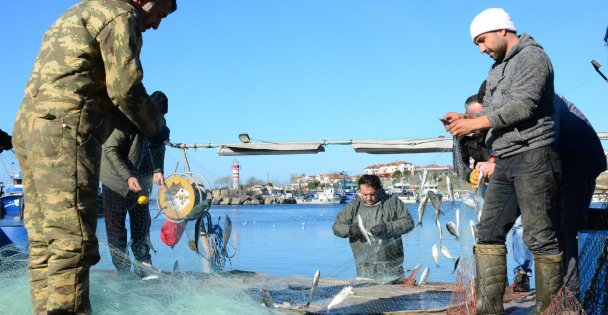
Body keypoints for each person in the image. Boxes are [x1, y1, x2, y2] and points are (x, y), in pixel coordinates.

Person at [11, 0, 177, 313]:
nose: (156, 24)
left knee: (46, 244)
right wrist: (156, 128)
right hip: (66, 130)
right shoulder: (120, 13)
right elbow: (124, 89)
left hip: (28, 130)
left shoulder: (77, 12)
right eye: (160, 13)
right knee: (72, 242)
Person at [444, 8, 562, 314]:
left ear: (502, 30)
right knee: (488, 232)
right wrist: (466, 117)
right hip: (505, 158)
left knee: (539, 237)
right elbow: (495, 108)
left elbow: (523, 106)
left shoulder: (533, 58)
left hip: (535, 154)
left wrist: (474, 125)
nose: (481, 49)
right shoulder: (496, 70)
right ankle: (489, 310)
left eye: (482, 41)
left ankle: (550, 310)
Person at [475, 94, 607, 299]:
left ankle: (570, 295)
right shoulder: (509, 110)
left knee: (569, 227)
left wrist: (499, 163)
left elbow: (542, 141)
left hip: (579, 162)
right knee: (553, 227)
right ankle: (557, 291)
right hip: (556, 166)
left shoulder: (540, 99)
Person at [100, 91, 168, 279]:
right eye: (158, 116)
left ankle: (143, 264)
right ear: (149, 113)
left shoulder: (158, 128)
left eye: (163, 116)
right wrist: (128, 176)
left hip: (141, 185)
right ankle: (122, 269)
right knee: (116, 229)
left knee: (141, 224)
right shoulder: (128, 122)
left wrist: (158, 170)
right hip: (115, 181)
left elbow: (159, 147)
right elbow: (111, 149)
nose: (161, 120)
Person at [332, 174, 414, 284]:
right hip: (365, 267)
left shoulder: (394, 202)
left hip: (392, 266)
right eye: (364, 194)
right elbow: (336, 227)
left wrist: (387, 227)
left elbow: (409, 222)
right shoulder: (353, 206)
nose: (368, 198)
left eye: (372, 194)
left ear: (379, 190)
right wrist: (349, 230)